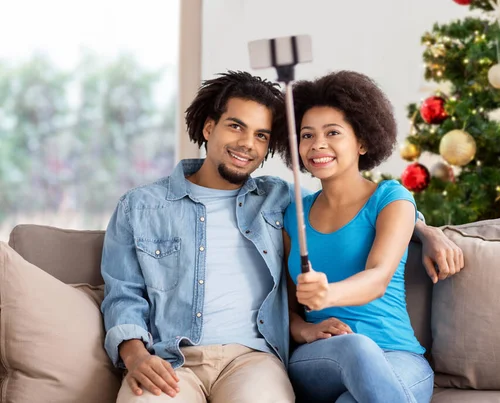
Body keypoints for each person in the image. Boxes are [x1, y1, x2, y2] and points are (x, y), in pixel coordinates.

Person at [101, 70, 463, 403]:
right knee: (355, 351)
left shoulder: (276, 198)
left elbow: (370, 218)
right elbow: (123, 293)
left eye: (261, 135)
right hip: (176, 358)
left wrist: (424, 229)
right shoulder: (144, 207)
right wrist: (135, 354)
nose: (247, 144)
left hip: (268, 358)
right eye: (235, 127)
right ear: (209, 127)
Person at [280, 71, 449, 403]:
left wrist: (327, 293)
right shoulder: (292, 215)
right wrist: (306, 330)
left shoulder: (391, 199)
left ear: (363, 141)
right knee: (355, 347)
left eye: (333, 133)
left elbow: (377, 279)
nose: (317, 145)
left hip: (398, 356)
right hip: (320, 356)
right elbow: (285, 309)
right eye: (307, 135)